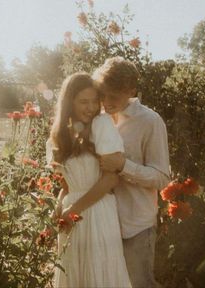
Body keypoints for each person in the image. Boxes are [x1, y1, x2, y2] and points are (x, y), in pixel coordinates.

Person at [64, 57, 170, 288]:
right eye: (104, 93)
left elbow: (162, 177)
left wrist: (123, 166)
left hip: (134, 226)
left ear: (131, 91)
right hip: (100, 224)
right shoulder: (94, 118)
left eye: (115, 96)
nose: (107, 101)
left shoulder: (149, 121)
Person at [48, 72, 131, 287]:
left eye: (95, 101)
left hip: (97, 209)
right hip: (71, 215)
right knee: (74, 274)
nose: (91, 107)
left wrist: (73, 210)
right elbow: (66, 185)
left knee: (99, 275)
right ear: (69, 102)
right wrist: (58, 209)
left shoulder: (101, 124)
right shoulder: (59, 135)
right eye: (83, 101)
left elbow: (111, 180)